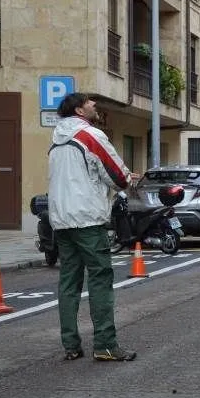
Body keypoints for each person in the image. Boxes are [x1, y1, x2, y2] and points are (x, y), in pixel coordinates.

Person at [48, 93, 137, 362]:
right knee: (100, 278)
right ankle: (106, 344)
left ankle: (71, 345)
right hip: (87, 218)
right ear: (79, 109)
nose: (95, 105)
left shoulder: (55, 140)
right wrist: (127, 178)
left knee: (68, 283)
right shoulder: (91, 135)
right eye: (90, 102)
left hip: (61, 219)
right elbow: (119, 177)